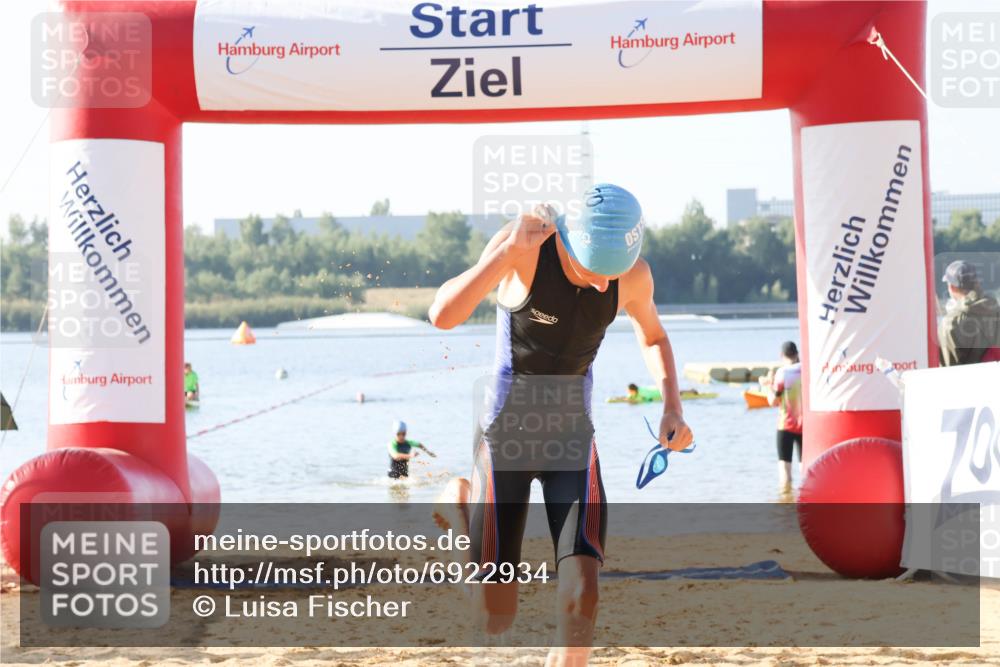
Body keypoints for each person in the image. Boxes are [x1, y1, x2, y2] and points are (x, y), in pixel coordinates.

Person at [427, 184, 693, 666]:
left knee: (582, 599)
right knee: (494, 616)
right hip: (505, 439)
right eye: (592, 269)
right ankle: (460, 505)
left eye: (609, 273)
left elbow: (653, 337)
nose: (599, 284)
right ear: (570, 242)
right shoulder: (526, 248)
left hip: (572, 441)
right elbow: (442, 315)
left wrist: (672, 406)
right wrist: (506, 253)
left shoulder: (633, 276)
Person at [939, 260, 1000, 366]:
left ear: (952, 287)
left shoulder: (950, 321)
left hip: (969, 382)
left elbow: (948, 370)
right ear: (977, 283)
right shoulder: (996, 309)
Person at [759, 341, 802, 492]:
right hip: (806, 427)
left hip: (786, 426)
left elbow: (773, 401)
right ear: (797, 354)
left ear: (782, 356)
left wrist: (766, 385)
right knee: (806, 471)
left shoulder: (783, 373)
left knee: (785, 472)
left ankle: (786, 504)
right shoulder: (807, 370)